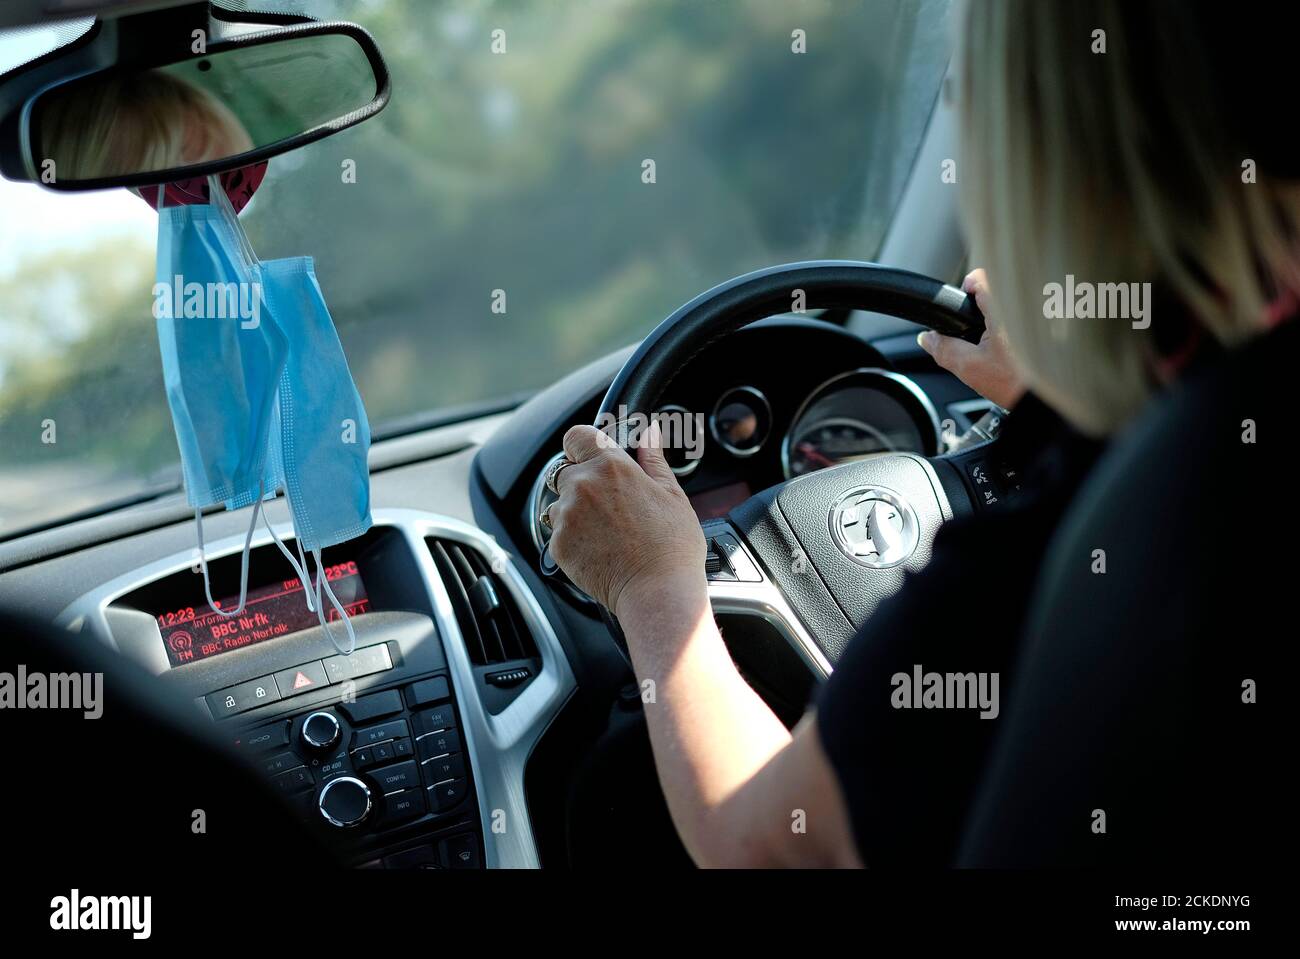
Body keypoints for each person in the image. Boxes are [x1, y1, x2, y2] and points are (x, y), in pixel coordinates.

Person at [545, 0, 1294, 867]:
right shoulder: (1212, 422)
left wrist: (654, 584)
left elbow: (773, 845)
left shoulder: (1050, 552)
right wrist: (1061, 387)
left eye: (966, 102)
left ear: (1039, 151)